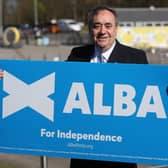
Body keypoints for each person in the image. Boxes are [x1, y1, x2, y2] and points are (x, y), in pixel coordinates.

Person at [66, 5, 148, 168]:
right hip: (84, 153)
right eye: (97, 26)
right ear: (90, 30)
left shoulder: (135, 57)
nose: (103, 31)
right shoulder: (77, 55)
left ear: (116, 29)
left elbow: (150, 96)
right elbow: (56, 84)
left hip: (119, 153)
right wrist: (8, 76)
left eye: (108, 26)